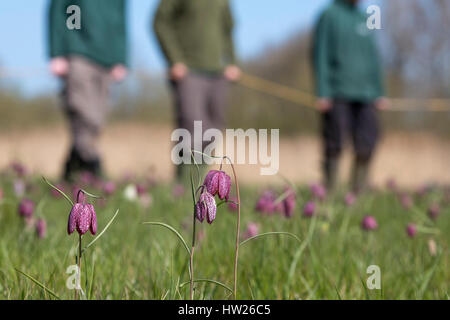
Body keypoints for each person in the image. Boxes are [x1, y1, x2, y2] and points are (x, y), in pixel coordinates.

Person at [153, 0, 241, 182]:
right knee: (192, 126)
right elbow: (160, 22)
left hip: (218, 72)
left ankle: (202, 183)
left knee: (213, 129)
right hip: (188, 71)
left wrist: (232, 62)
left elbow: (228, 29)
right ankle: (184, 184)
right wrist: (174, 59)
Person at [312, 0, 389, 193]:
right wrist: (323, 91)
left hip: (366, 93)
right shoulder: (329, 14)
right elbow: (320, 53)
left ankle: (358, 190)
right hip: (337, 91)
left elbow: (373, 55)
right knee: (334, 141)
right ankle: (329, 191)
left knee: (368, 141)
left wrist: (379, 91)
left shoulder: (366, 17)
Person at [48, 0, 128, 181]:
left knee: (98, 117)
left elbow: (120, 21)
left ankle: (72, 171)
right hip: (77, 52)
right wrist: (57, 52)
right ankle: (94, 164)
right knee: (82, 111)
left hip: (107, 57)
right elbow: (58, 11)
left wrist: (121, 57)